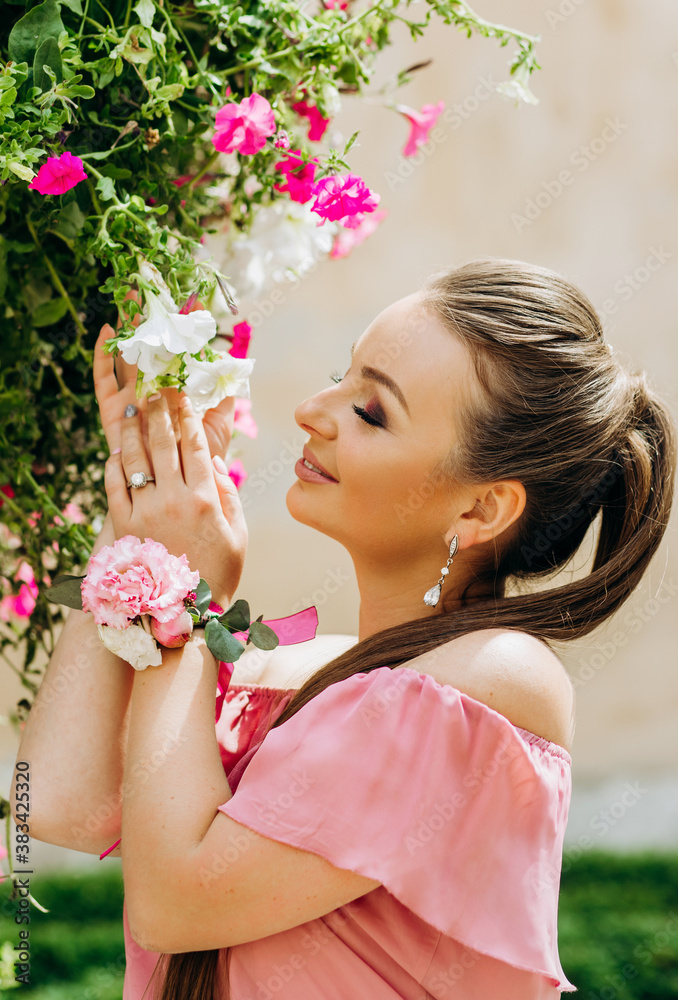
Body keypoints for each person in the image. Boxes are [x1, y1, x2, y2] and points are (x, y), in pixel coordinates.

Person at [15, 258, 675, 1000]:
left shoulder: (495, 679)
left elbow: (176, 905)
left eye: (370, 411)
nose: (312, 410)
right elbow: (60, 802)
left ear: (479, 510)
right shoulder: (292, 673)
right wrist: (147, 499)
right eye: (341, 374)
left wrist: (181, 592)